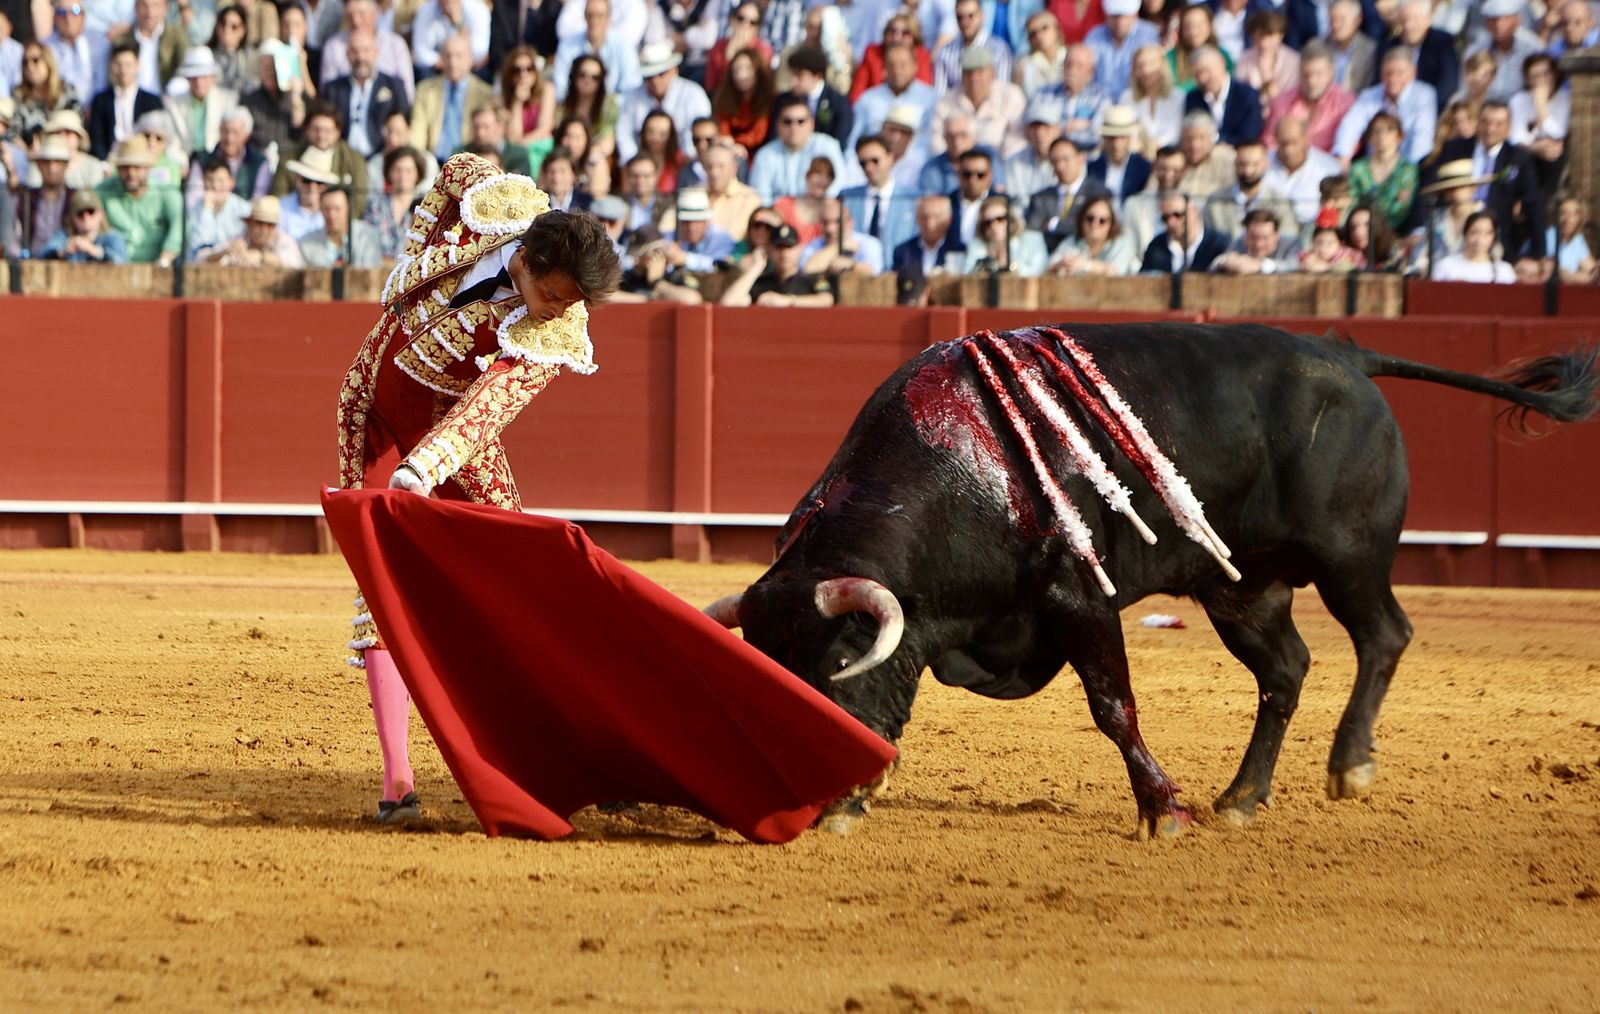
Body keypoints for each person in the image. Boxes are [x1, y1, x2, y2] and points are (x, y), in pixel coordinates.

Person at [334, 151, 623, 824]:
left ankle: (576, 748)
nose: (562, 312)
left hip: (449, 436)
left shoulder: (556, 332)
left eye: (573, 303)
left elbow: (485, 409)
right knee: (380, 580)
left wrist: (423, 469)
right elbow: (457, 167)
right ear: (526, 259)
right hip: (370, 408)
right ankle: (397, 781)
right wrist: (415, 245)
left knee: (519, 577)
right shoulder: (502, 207)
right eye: (557, 295)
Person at [1434, 99, 1546, 261]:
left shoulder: (1518, 158)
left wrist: (1539, 252)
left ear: (1508, 128)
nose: (1490, 129)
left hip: (1498, 241)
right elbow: (1434, 187)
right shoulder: (1455, 148)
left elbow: (1532, 203)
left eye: (1498, 124)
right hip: (1453, 234)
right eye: (1486, 122)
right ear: (1477, 122)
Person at [1334, 48, 1438, 167]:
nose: (1392, 79)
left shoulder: (1425, 95)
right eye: (1388, 73)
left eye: (1399, 73)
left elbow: (1422, 137)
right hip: (1372, 167)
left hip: (1409, 166)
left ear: (1413, 74)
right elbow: (1350, 125)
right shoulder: (1369, 95)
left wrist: (1408, 170)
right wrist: (1342, 157)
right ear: (1381, 74)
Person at [616, 41, 711, 163]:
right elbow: (624, 134)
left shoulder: (693, 94)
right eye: (649, 76)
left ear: (674, 70)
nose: (655, 81)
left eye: (661, 74)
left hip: (684, 162)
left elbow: (699, 133)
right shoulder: (631, 97)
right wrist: (636, 162)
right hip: (642, 164)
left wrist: (686, 164)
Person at [322, 31, 410, 161]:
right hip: (342, 157)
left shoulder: (394, 85)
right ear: (347, 54)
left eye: (366, 50)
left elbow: (403, 121)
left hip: (383, 157)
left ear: (376, 53)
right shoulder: (333, 89)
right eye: (355, 51)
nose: (361, 57)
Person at [409, 34, 494, 163]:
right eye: (448, 56)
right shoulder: (425, 91)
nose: (453, 62)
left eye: (459, 56)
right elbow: (417, 134)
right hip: (433, 161)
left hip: (470, 161)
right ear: (441, 59)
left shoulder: (485, 93)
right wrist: (420, 162)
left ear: (470, 59)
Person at [96, 134, 180, 264]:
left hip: (159, 267)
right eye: (125, 167)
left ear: (148, 168)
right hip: (114, 266)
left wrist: (164, 261)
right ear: (117, 169)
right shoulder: (102, 192)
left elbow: (178, 228)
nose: (131, 173)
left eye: (137, 167)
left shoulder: (167, 193)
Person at [748, 95, 845, 204]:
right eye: (787, 121)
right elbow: (761, 197)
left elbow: (837, 187)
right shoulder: (765, 155)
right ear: (778, 125)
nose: (794, 127)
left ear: (811, 123)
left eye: (801, 121)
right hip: (777, 213)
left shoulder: (827, 146)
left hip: (819, 211)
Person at [1026, 135, 1114, 253]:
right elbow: (1033, 232)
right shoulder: (1041, 198)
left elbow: (1091, 229)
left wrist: (1054, 224)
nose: (1060, 166)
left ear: (1081, 158)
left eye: (1066, 159)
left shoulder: (1098, 193)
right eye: (1055, 161)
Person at [841, 133, 915, 272]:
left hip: (899, 273)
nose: (869, 168)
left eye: (875, 161)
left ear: (890, 158)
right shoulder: (848, 198)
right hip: (858, 274)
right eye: (863, 163)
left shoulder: (911, 200)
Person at [1263, 41, 1353, 157]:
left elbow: (1350, 144)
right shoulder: (1281, 102)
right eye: (1306, 75)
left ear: (1331, 72)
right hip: (1286, 162)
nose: (1311, 81)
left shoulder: (1345, 103)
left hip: (1330, 163)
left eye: (1318, 74)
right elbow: (1270, 141)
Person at [718, 221, 836, 306]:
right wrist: (756, 268)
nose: (784, 253)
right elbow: (728, 303)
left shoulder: (811, 279)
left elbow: (826, 300)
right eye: (779, 247)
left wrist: (789, 301)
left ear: (799, 249)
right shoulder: (761, 283)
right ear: (769, 250)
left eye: (789, 247)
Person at [1377, 0, 1457, 114]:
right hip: (1391, 110)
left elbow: (1447, 85)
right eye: (1404, 19)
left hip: (1431, 109)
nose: (1409, 25)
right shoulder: (1389, 46)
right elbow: (1379, 84)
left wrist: (1428, 110)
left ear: (1428, 19)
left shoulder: (1442, 43)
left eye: (1415, 19)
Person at [85, 39, 161, 159]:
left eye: (128, 65)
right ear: (111, 65)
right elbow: (96, 138)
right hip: (110, 159)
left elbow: (156, 138)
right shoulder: (101, 101)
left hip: (141, 158)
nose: (123, 70)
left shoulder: (152, 102)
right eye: (118, 64)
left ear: (137, 65)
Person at [551, 0, 641, 100]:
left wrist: (611, 103)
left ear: (608, 18)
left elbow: (631, 86)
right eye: (590, 15)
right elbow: (560, 87)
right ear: (584, 17)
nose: (594, 21)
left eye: (600, 16)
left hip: (614, 106)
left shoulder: (623, 45)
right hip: (576, 105)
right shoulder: (568, 45)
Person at [1347, 111, 1417, 234]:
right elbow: (1352, 202)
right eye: (1377, 131)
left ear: (1399, 137)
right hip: (1362, 233)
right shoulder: (1358, 168)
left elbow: (1401, 209)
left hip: (1397, 233)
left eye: (1389, 130)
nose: (1382, 135)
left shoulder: (1407, 169)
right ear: (1369, 137)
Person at [1184, 46, 1261, 149]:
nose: (1203, 78)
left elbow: (1250, 135)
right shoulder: (1193, 99)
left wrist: (1220, 141)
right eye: (1197, 74)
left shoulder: (1247, 95)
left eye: (1206, 71)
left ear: (1222, 64)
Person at [893, 193, 961, 303]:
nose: (929, 223)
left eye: (936, 217)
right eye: (924, 217)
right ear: (916, 218)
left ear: (948, 219)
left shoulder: (958, 249)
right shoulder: (903, 251)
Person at [1046, 194, 1139, 275]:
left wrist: (1085, 265)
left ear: (1111, 225)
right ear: (1081, 220)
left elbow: (1116, 272)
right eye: (1090, 218)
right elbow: (1048, 268)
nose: (1095, 224)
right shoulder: (1071, 242)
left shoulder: (1122, 244)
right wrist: (1062, 264)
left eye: (1102, 221)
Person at [851, 11, 933, 102]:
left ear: (914, 37)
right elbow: (857, 94)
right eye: (892, 31)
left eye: (905, 33)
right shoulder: (872, 54)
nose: (897, 37)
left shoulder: (921, 56)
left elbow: (924, 91)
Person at [711, 47, 773, 161]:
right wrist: (728, 142)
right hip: (729, 148)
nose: (741, 75)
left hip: (757, 152)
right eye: (737, 70)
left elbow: (758, 133)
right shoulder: (724, 97)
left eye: (748, 69)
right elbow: (722, 124)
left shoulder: (768, 99)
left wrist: (738, 143)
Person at [1141, 190, 1228, 272]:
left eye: (1177, 215)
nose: (1171, 223)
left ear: (1194, 211)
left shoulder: (1218, 244)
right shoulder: (1156, 247)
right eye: (1165, 218)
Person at [784, 45, 853, 148]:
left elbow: (841, 140)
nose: (793, 81)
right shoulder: (784, 101)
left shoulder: (838, 103)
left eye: (799, 75)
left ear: (817, 76)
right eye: (792, 75)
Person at [1120, 42, 1182, 155]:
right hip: (1138, 155)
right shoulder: (1127, 98)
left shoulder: (1178, 97)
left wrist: (1153, 147)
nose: (1146, 70)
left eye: (1152, 63)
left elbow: (1174, 133)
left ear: (1163, 65)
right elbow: (1127, 132)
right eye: (1140, 65)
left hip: (1168, 154)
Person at [12, 40, 78, 144]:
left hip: (63, 148)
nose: (30, 67)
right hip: (28, 152)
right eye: (25, 62)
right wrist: (29, 152)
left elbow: (76, 128)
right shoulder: (20, 96)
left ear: (47, 61)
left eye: (35, 60)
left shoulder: (67, 91)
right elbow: (14, 133)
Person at [964, 194, 1048, 276]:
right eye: (987, 223)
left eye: (1000, 219)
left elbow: (1039, 273)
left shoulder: (1033, 240)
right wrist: (988, 263)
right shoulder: (976, 247)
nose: (994, 226)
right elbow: (967, 276)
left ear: (1012, 221)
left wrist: (1011, 266)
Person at [299, 184, 382, 267]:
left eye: (337, 209)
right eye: (326, 209)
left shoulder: (367, 236)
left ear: (348, 208)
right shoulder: (306, 244)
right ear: (320, 210)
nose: (331, 215)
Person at [186, 153, 249, 261]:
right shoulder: (194, 210)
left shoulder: (244, 209)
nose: (215, 186)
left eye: (221, 180)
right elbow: (199, 247)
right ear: (203, 182)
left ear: (232, 182)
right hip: (203, 265)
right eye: (210, 180)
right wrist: (207, 210)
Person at [703, 2, 773, 96]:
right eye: (740, 18)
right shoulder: (717, 48)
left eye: (752, 22)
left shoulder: (763, 50)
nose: (745, 25)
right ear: (731, 19)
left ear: (757, 28)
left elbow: (760, 84)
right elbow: (711, 85)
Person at [1086, 104, 1151, 204]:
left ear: (1129, 138)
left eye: (1122, 137)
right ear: (1104, 139)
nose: (1116, 144)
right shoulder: (1092, 168)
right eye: (1111, 138)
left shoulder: (1143, 168)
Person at [558, 55, 618, 159]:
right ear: (574, 76)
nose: (587, 80)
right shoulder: (561, 106)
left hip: (595, 156)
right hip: (565, 154)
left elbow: (608, 140)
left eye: (595, 77)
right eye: (582, 75)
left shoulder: (608, 106)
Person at [41, 187, 126, 260]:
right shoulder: (64, 236)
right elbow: (42, 255)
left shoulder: (112, 237)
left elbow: (121, 261)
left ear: (100, 214)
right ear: (73, 217)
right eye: (80, 213)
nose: (86, 217)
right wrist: (62, 252)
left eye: (90, 211)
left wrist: (95, 251)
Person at [1213, 206, 1302, 274]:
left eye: (1265, 238)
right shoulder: (1239, 242)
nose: (1258, 244)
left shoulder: (1292, 243)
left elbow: (1295, 265)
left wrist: (1260, 265)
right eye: (1253, 237)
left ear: (1276, 236)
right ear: (1246, 235)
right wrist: (1226, 263)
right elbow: (1214, 266)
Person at [1432, 210, 1515, 282]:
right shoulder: (1445, 266)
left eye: (1487, 233)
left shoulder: (1504, 270)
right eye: (1474, 232)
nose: (1480, 239)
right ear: (1465, 234)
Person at [771, 154, 833, 245]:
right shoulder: (784, 205)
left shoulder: (835, 209)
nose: (823, 180)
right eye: (818, 173)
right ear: (807, 175)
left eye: (828, 176)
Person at [500, 45, 553, 146]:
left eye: (529, 69)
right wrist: (517, 102)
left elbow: (544, 129)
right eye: (517, 70)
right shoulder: (503, 97)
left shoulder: (547, 90)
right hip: (516, 149)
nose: (523, 74)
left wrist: (521, 146)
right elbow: (513, 136)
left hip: (538, 146)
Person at [1545, 193, 1597, 284]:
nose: (1567, 219)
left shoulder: (1577, 240)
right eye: (1563, 213)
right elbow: (1552, 272)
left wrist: (1570, 276)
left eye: (1573, 214)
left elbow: (1593, 272)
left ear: (1579, 218)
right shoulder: (1548, 236)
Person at [1299, 215, 1367, 272]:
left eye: (1330, 243)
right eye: (1319, 243)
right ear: (1313, 242)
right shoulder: (1311, 257)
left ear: (1341, 244)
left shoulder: (1349, 256)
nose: (1323, 248)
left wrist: (1326, 268)